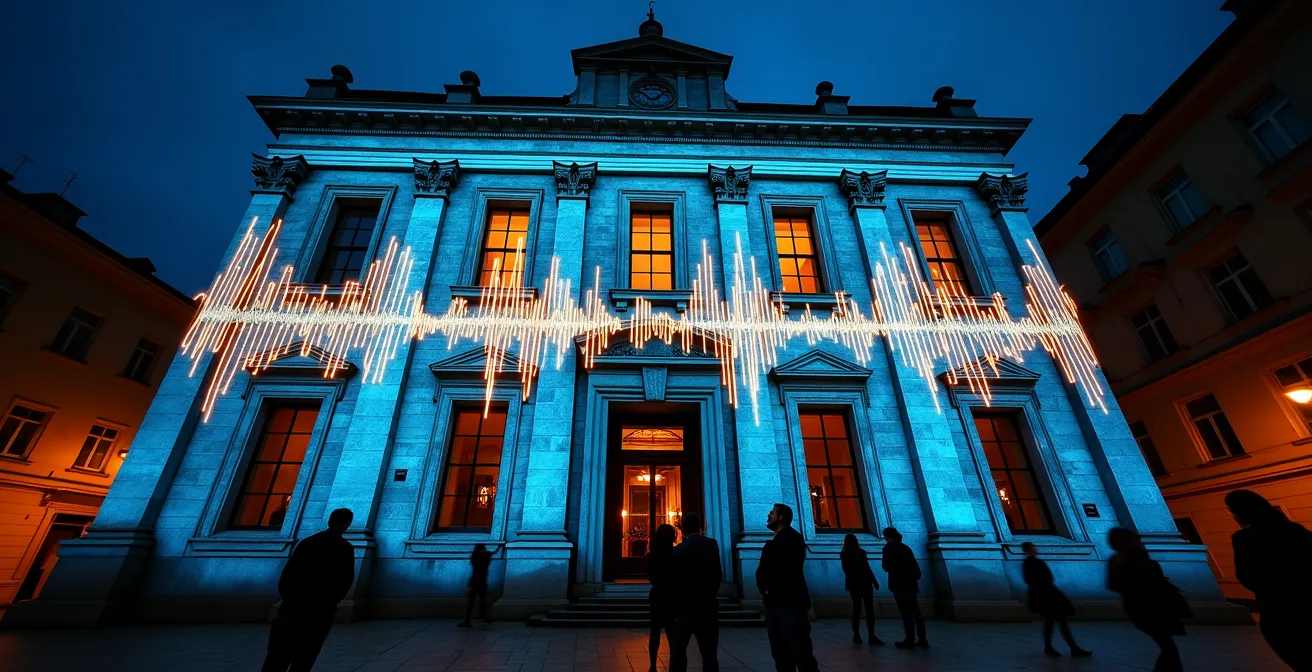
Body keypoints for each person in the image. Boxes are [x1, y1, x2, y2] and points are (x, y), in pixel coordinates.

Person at [1225, 489, 1312, 671]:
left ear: (1240, 513)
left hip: (1279, 610)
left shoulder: (1244, 538)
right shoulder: (1296, 530)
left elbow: (1247, 576)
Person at [263, 508, 356, 672]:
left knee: (277, 658)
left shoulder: (307, 543)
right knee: (304, 659)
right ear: (347, 524)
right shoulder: (344, 548)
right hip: (319, 613)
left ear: (329, 521)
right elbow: (345, 581)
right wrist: (330, 603)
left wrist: (290, 600)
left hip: (292, 609)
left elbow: (287, 576)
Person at [1107, 527, 1190, 672]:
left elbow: (1113, 585)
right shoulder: (1138, 557)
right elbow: (1153, 578)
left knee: (1166, 646)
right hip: (1153, 606)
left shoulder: (1116, 560)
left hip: (1136, 607)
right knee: (1168, 647)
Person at [756, 503, 819, 672]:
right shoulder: (779, 541)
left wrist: (767, 589)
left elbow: (781, 570)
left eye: (772, 513)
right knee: (781, 653)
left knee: (799, 652)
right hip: (777, 604)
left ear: (781, 517)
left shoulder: (790, 539)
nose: (769, 516)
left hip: (789, 604)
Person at [1021, 541, 1092, 658]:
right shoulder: (1032, 563)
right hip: (1045, 595)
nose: (1035, 548)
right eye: (1032, 547)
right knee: (1057, 621)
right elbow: (1037, 579)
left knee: (1052, 621)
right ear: (1028, 549)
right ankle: (1070, 648)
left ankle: (1057, 647)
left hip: (1045, 595)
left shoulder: (1030, 563)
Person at [671, 512, 721, 672]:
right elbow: (717, 575)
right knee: (709, 653)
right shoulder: (712, 544)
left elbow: (675, 580)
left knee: (678, 650)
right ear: (700, 527)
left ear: (683, 530)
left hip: (685, 608)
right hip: (707, 605)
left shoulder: (678, 550)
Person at [881, 526, 927, 650]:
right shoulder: (906, 548)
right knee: (916, 612)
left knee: (905, 613)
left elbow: (885, 567)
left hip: (898, 584)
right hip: (911, 584)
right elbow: (916, 569)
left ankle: (910, 639)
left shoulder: (888, 549)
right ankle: (922, 638)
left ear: (887, 536)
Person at [646, 524, 679, 672]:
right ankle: (673, 664)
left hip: (657, 595)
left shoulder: (651, 556)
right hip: (672, 596)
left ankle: (653, 665)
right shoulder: (677, 554)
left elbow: (651, 578)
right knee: (672, 633)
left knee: (655, 633)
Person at [840, 534, 882, 645]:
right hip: (865, 582)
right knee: (869, 609)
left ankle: (856, 634)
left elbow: (846, 570)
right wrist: (874, 581)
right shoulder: (861, 552)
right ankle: (871, 635)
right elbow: (867, 567)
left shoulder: (844, 554)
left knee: (856, 609)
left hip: (853, 583)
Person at [457, 543, 493, 627]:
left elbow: (476, 570)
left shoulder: (476, 557)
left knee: (472, 602)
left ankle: (469, 620)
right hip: (482, 582)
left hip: (476, 582)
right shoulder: (485, 558)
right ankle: (484, 618)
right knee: (481, 601)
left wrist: (471, 584)